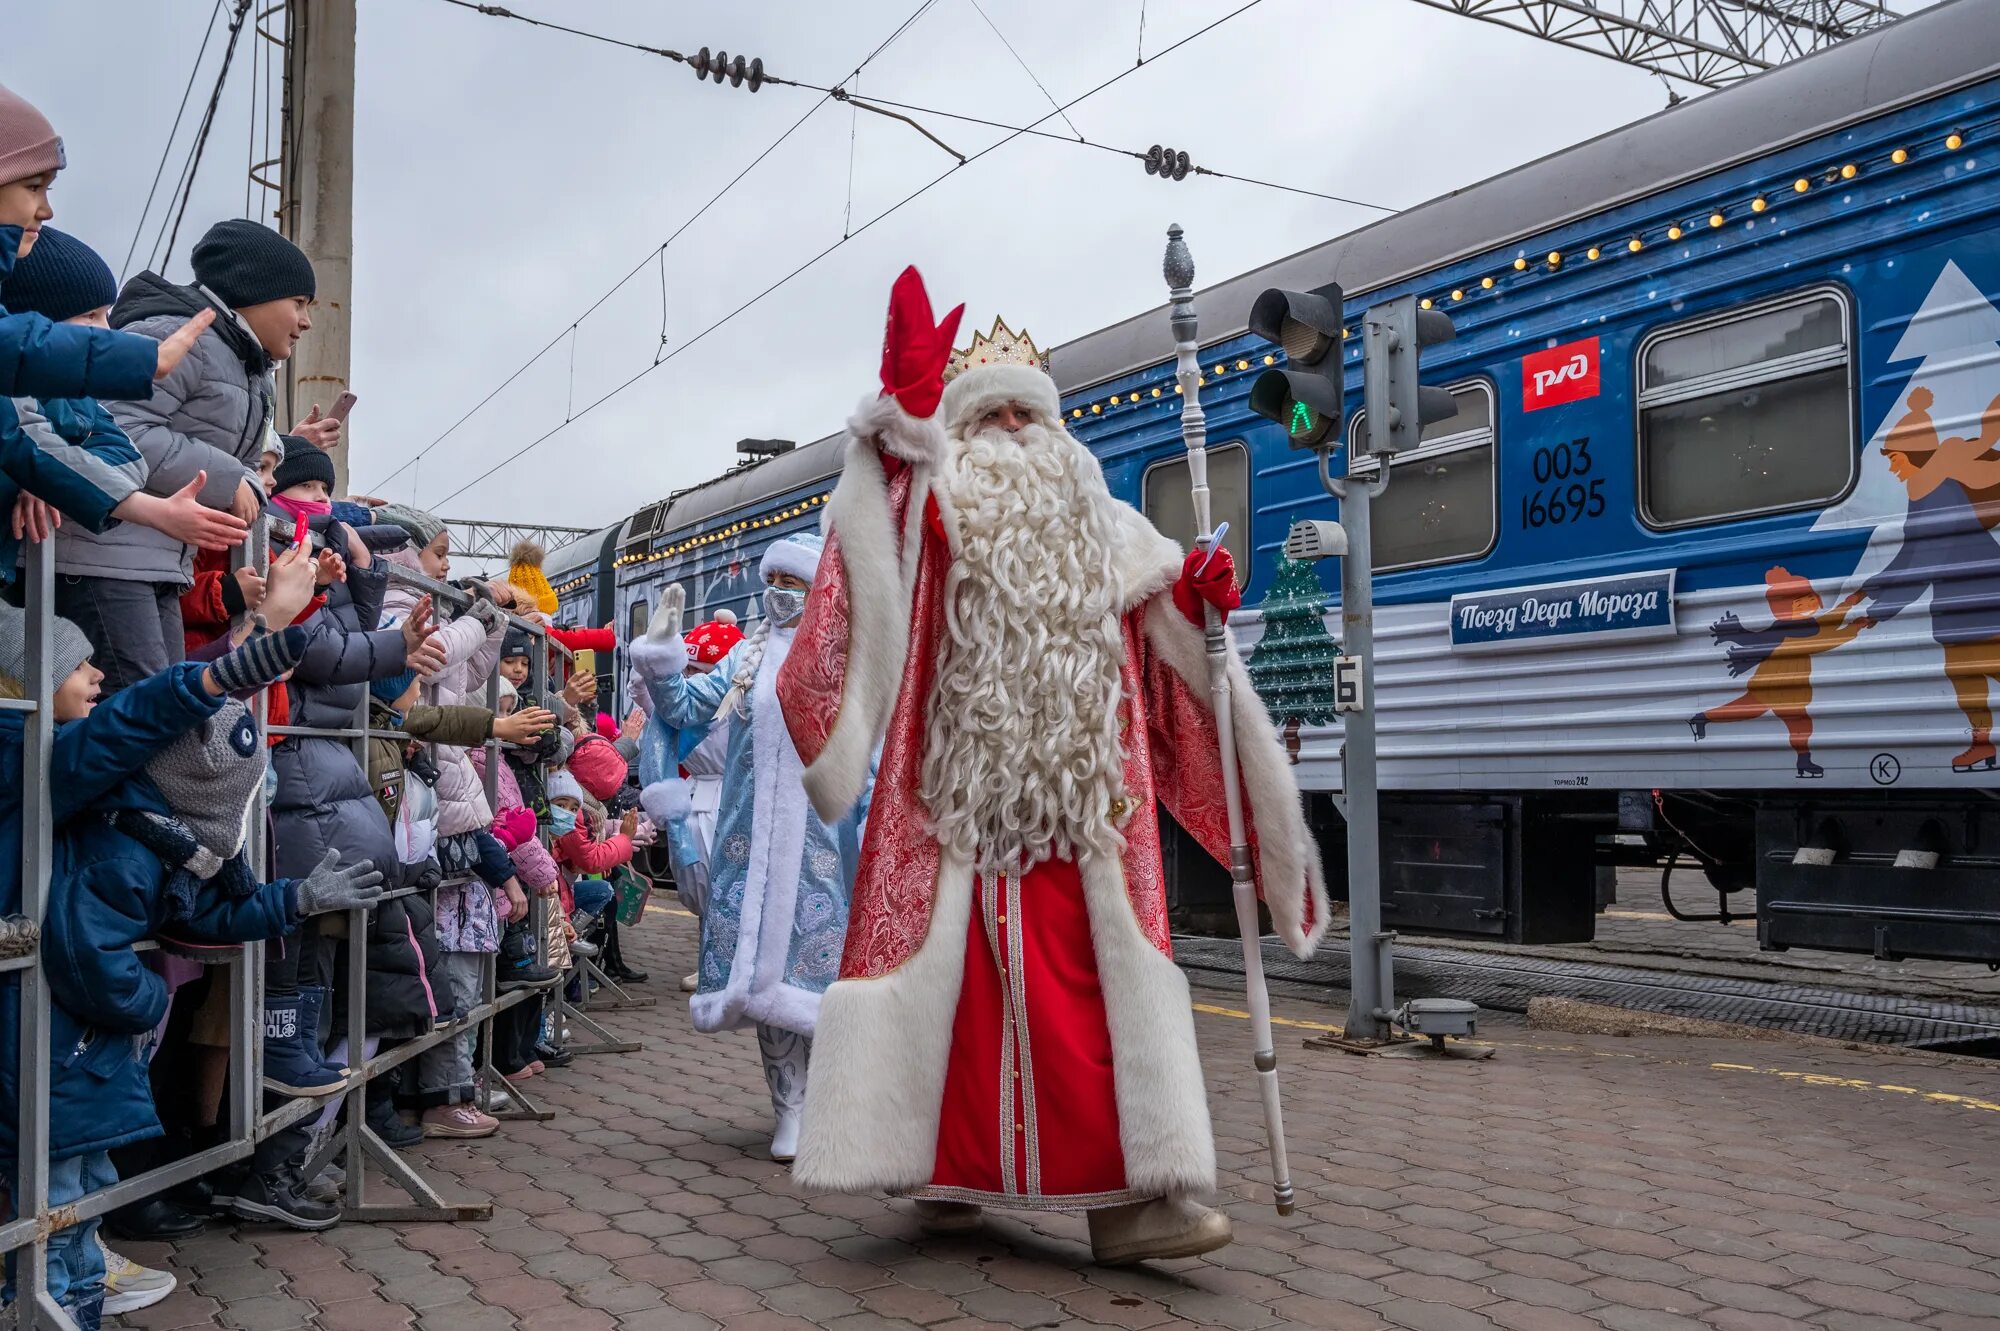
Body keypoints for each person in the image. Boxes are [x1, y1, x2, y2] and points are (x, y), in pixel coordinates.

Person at [778, 272, 1328, 1264]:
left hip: (1085, 820)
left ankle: (1135, 1197)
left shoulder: (1117, 533)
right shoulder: (931, 512)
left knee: (1089, 1001)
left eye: (1023, 412)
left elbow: (1169, 685)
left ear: (1058, 431)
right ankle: (934, 1168)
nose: (1007, 430)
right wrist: (887, 438)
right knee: (950, 996)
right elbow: (868, 569)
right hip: (953, 809)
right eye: (983, 414)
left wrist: (1196, 614)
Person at [644, 534, 869, 1162]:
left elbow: (872, 752)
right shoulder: (742, 660)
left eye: (793, 585)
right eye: (772, 583)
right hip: (751, 842)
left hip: (825, 841)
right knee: (761, 973)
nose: (779, 595)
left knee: (824, 971)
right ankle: (789, 1106)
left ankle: (834, 1103)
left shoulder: (844, 660)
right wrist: (661, 655)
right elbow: (682, 706)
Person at [56, 220, 337, 691]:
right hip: (104, 558)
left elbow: (209, 437)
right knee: (142, 712)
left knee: (162, 709)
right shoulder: (183, 337)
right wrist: (232, 479)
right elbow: (115, 427)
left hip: (154, 560)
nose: (307, 320)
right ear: (255, 291)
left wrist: (265, 457)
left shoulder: (242, 361)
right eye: (299, 303)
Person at [1, 226, 248, 579]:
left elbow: (130, 458)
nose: (106, 330)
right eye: (89, 316)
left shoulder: (80, 397)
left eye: (106, 314)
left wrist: (51, 477)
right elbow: (26, 437)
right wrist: (44, 476)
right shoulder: (16, 388)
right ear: (39, 328)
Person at [632, 610, 742, 991]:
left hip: (730, 803)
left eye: (700, 671)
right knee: (701, 890)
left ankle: (731, 968)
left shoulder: (735, 710)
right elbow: (650, 699)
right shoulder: (684, 711)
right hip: (695, 801)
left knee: (729, 889)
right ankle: (710, 960)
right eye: (688, 670)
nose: (691, 680)